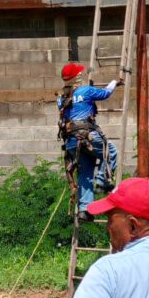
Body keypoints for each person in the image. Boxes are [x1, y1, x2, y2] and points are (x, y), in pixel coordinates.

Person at [57, 62, 119, 223]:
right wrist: (114, 82)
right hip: (87, 136)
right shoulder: (86, 90)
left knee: (84, 173)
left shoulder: (61, 98)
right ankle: (102, 182)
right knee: (111, 151)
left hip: (71, 143)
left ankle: (84, 210)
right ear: (77, 77)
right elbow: (106, 93)